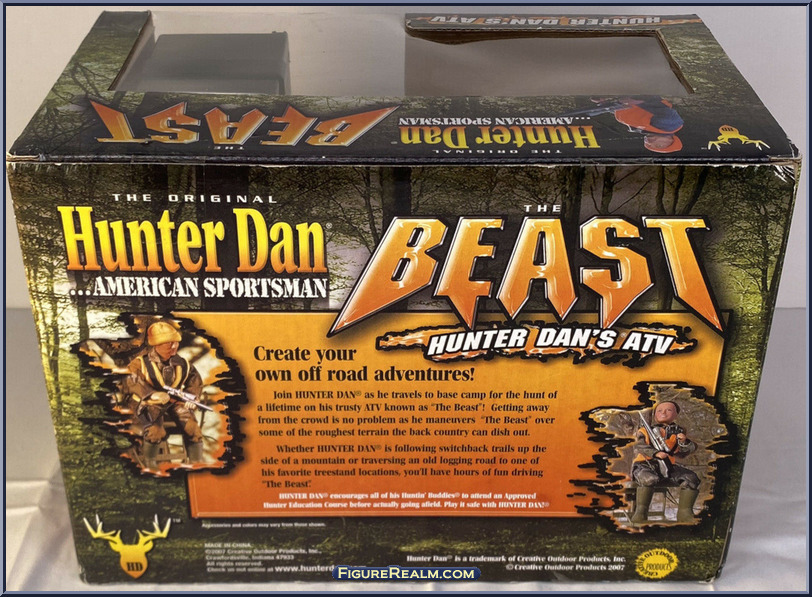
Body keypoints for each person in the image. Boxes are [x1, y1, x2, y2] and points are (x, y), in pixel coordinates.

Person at [124, 321, 205, 471]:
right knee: (156, 431)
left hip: (174, 403)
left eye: (176, 342)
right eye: (169, 343)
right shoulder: (140, 363)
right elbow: (131, 381)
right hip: (147, 404)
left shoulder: (183, 363)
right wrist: (153, 394)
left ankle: (197, 464)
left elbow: (195, 382)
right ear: (157, 344)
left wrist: (192, 398)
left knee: (193, 428)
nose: (174, 346)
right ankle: (150, 464)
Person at [630, 400, 699, 523]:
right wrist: (655, 453)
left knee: (691, 478)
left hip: (668, 466)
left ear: (676, 414)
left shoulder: (678, 432)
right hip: (645, 465)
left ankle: (685, 514)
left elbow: (684, 452)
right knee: (649, 479)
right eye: (660, 410)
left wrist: (684, 442)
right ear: (655, 414)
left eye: (669, 410)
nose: (663, 413)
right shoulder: (645, 431)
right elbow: (639, 446)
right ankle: (640, 513)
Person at [594, 96, 684, 154]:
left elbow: (629, 113)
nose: (649, 142)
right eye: (659, 145)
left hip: (621, 96)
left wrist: (604, 104)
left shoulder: (642, 129)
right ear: (670, 140)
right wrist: (639, 101)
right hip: (637, 91)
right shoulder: (670, 126)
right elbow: (661, 108)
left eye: (648, 145)